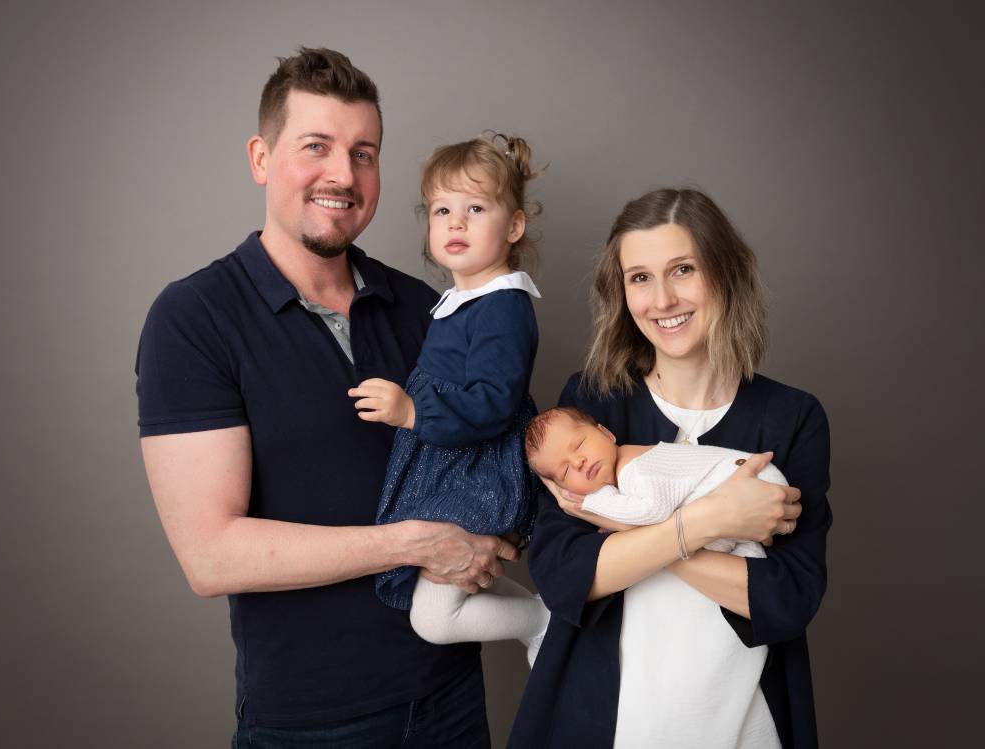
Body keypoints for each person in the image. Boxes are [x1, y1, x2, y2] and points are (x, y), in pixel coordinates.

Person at [135, 47, 519, 748]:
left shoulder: (426, 307)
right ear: (261, 158)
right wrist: (414, 544)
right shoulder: (194, 318)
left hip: (453, 698)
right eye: (317, 146)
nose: (343, 174)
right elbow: (211, 556)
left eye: (363, 154)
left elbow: (491, 444)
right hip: (310, 722)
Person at [509, 188, 830, 749]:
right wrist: (711, 521)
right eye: (640, 278)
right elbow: (564, 577)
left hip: (740, 724)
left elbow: (786, 601)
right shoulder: (592, 405)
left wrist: (621, 532)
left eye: (683, 269)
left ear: (725, 273)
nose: (662, 300)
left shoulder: (791, 417)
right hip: (607, 721)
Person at [348, 134, 551, 662]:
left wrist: (413, 411)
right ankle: (542, 623)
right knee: (453, 583)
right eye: (442, 210)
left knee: (435, 617)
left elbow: (494, 402)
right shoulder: (462, 299)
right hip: (452, 460)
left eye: (475, 208)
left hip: (474, 469)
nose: (455, 223)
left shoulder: (503, 305)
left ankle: (545, 626)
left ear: (514, 226)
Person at [525, 404, 785, 557]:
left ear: (605, 433)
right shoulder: (628, 471)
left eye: (579, 444)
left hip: (752, 481)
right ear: (563, 488)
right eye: (566, 472)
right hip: (743, 499)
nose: (578, 462)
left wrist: (593, 504)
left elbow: (653, 511)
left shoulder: (635, 467)